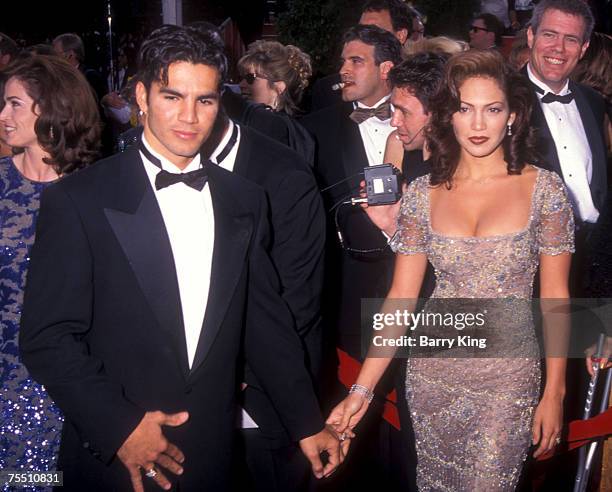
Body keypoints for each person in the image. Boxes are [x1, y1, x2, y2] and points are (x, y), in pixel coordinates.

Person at [19, 25, 341, 491]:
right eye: (173, 97)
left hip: (212, 454)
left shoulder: (244, 200)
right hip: (115, 461)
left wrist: (305, 422)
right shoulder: (79, 199)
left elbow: (264, 323)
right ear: (142, 97)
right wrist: (120, 427)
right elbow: (47, 338)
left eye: (205, 100)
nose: (189, 117)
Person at [328, 49, 574, 490]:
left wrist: (554, 393)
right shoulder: (422, 194)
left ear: (513, 115)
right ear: (449, 116)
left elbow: (556, 299)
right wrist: (360, 392)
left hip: (508, 375)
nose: (478, 125)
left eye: (492, 109)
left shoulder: (546, 190)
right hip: (432, 373)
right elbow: (401, 299)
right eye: (465, 109)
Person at [0, 54, 101, 476]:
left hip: (62, 384)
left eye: (14, 104)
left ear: (51, 109)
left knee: (44, 480)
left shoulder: (96, 193)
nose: (3, 114)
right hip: (3, 376)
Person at [524, 0, 607, 296]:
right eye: (549, 35)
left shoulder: (594, 103)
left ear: (583, 48)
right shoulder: (502, 100)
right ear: (531, 36)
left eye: (570, 39)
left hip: (593, 263)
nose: (558, 48)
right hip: (531, 267)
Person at [310, 0, 419, 112]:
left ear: (401, 35)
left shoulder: (420, 87)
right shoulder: (327, 91)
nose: (362, 36)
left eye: (374, 30)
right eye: (360, 29)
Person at [236, 40, 315, 163]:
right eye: (241, 78)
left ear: (279, 87)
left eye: (250, 78)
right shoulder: (292, 129)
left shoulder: (273, 128)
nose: (241, 84)